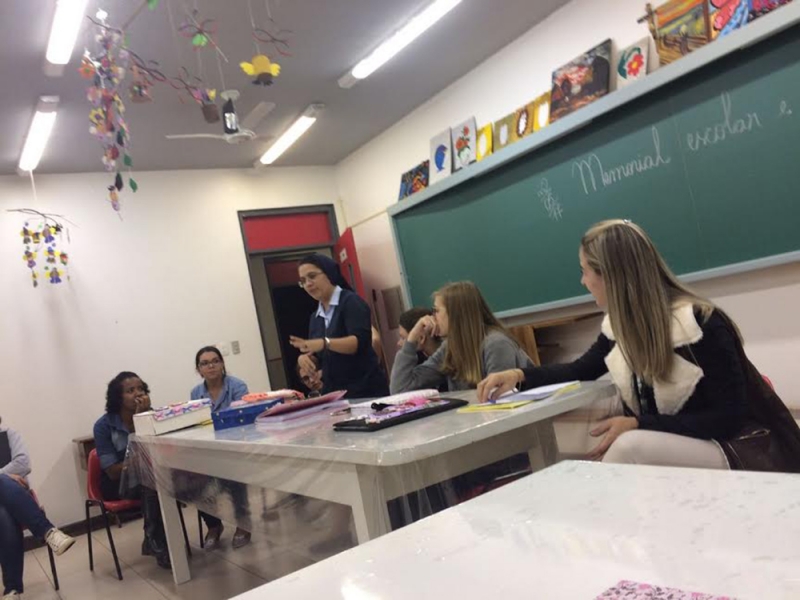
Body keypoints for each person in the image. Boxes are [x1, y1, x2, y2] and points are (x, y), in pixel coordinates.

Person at [478, 219, 800, 471]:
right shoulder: (621, 328)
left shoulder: (700, 323)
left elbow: (728, 418)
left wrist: (639, 423)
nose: (583, 281)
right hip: (691, 442)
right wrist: (519, 375)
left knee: (629, 447)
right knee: (625, 446)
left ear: (611, 276)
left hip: (739, 447)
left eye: (585, 271)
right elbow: (580, 369)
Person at [391, 281, 534, 393]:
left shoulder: (496, 344)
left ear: (456, 314)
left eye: (436, 311)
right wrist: (412, 339)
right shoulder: (449, 347)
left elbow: (498, 399)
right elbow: (400, 388)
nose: (432, 317)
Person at [94, 372, 171, 569]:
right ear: (117, 397)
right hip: (116, 484)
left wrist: (143, 418)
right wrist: (140, 455)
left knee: (163, 481)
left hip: (150, 477)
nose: (138, 394)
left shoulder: (152, 416)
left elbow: (165, 450)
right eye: (130, 391)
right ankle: (156, 541)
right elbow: (112, 471)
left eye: (141, 389)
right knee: (154, 484)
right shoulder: (103, 426)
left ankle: (154, 539)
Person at [290, 254, 389, 399]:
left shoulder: (351, 302)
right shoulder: (315, 317)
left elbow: (358, 343)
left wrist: (325, 343)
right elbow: (321, 356)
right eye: (303, 281)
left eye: (312, 276)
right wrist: (305, 359)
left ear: (329, 273)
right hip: (335, 394)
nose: (308, 284)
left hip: (364, 391)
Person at [0, 419, 75, 599]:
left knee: (3, 514)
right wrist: (5, 476)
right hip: (15, 498)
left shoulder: (8, 435)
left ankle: (12, 590)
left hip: (15, 499)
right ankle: (48, 531)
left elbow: (23, 464)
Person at [190, 346, 251, 549]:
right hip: (208, 448)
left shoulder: (237, 386)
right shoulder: (196, 393)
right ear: (199, 369)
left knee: (232, 473)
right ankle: (214, 525)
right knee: (194, 476)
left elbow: (243, 420)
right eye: (205, 363)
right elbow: (197, 423)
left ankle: (243, 523)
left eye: (215, 361)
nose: (211, 366)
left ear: (222, 364)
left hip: (235, 446)